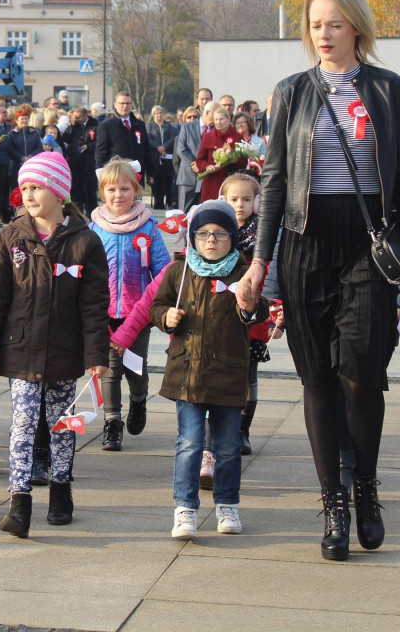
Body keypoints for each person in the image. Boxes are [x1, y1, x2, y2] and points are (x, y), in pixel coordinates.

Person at [238, 0, 400, 562]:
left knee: (362, 373)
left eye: (334, 23)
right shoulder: (293, 91)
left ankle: (367, 487)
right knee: (318, 380)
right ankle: (333, 504)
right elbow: (274, 182)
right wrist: (259, 263)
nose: (322, 35)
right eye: (315, 24)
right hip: (304, 244)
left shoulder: (386, 88)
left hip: (367, 245)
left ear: (356, 27)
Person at [0, 152, 110, 538]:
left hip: (64, 352)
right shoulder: (11, 236)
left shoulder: (85, 242)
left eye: (37, 187)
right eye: (25, 188)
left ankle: (61, 489)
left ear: (59, 192)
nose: (28, 195)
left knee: (61, 425)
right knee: (22, 423)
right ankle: (19, 502)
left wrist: (97, 354)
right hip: (21, 350)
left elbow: (95, 305)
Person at [151, 200, 269, 539]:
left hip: (228, 373)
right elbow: (158, 304)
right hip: (187, 375)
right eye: (203, 234)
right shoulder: (180, 270)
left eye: (219, 234)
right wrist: (165, 318)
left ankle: (227, 504)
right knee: (189, 443)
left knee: (228, 445)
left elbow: (258, 312)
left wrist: (249, 308)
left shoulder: (242, 271)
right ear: (192, 238)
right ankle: (184, 509)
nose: (211, 240)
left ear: (232, 238)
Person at [91, 158, 171, 450]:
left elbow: (162, 270)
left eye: (124, 189)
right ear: (103, 192)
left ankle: (138, 400)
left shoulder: (148, 227)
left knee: (135, 369)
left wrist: (153, 304)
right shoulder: (95, 228)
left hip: (138, 314)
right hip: (105, 313)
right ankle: (112, 422)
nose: (118, 195)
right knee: (110, 370)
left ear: (135, 189)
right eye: (111, 189)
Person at [219, 173, 272, 456]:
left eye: (247, 199)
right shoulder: (217, 231)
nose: (240, 205)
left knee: (249, 376)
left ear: (257, 202)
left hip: (251, 318)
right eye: (234, 199)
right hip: (221, 316)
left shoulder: (262, 237)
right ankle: (221, 430)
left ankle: (243, 430)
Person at [95, 92, 155, 193]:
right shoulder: (106, 126)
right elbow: (101, 153)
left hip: (136, 173)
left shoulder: (139, 124)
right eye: (122, 103)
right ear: (115, 104)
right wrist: (101, 174)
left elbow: (146, 150)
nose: (125, 106)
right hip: (117, 174)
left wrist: (151, 172)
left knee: (136, 204)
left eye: (128, 103)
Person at [195, 105, 244, 202]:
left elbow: (243, 162)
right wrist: (207, 166)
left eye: (221, 119)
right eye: (216, 119)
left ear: (228, 119)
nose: (218, 122)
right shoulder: (208, 136)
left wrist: (235, 161)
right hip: (211, 183)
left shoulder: (237, 136)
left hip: (230, 181)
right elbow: (199, 160)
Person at [61, 106, 99, 216]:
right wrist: (71, 125)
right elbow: (66, 138)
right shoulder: (74, 125)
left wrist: (89, 146)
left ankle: (91, 213)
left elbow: (100, 141)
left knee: (90, 189)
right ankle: (77, 213)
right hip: (76, 162)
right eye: (75, 117)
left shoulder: (95, 124)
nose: (77, 119)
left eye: (79, 117)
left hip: (89, 162)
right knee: (76, 189)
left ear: (85, 115)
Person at [174, 105, 206, 212]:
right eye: (189, 117)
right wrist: (196, 163)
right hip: (188, 177)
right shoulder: (184, 131)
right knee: (184, 213)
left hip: (205, 178)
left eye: (195, 117)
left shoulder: (208, 130)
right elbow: (180, 151)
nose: (192, 119)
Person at [147, 105, 178, 210]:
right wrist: (158, 147)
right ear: (153, 114)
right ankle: (158, 202)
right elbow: (149, 139)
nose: (159, 115)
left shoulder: (168, 126)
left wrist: (164, 147)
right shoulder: (150, 125)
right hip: (154, 157)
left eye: (160, 112)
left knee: (165, 179)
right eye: (156, 113)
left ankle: (167, 201)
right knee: (156, 180)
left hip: (166, 157)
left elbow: (172, 138)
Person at [6, 108, 43, 185]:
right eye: (22, 119)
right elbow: (10, 149)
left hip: (32, 166)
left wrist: (30, 156)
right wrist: (21, 158)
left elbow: (39, 147)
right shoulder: (12, 134)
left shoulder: (34, 133)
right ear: (16, 120)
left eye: (26, 118)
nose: (24, 121)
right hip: (16, 166)